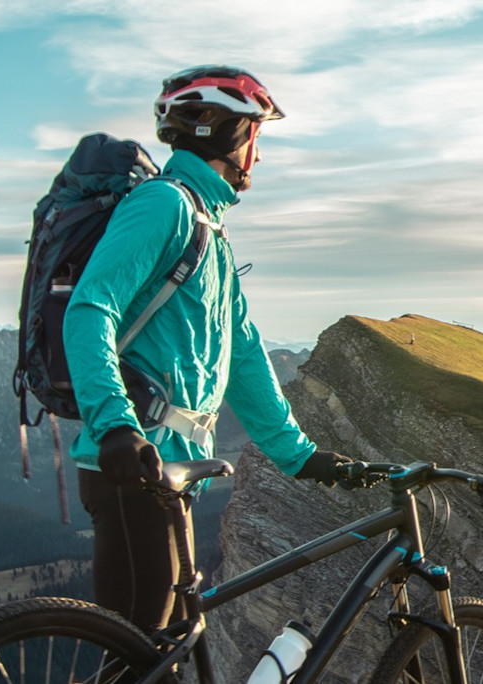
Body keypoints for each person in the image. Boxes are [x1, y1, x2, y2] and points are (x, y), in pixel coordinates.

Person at [63, 64, 356, 631]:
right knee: (139, 655)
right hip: (131, 463)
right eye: (256, 135)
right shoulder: (165, 206)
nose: (259, 155)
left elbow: (244, 355)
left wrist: (299, 456)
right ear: (224, 133)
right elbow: (89, 309)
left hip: (169, 467)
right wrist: (115, 426)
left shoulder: (209, 229)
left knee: (167, 648)